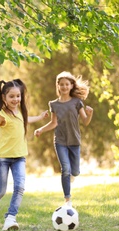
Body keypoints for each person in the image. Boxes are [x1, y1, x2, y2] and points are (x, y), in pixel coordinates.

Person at [0, 79, 48, 231]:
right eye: (11, 96)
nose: (15, 99)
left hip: (19, 157)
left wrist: (40, 118)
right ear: (4, 98)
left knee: (20, 187)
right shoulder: (1, 115)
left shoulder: (20, 113)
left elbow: (26, 120)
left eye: (18, 96)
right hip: (2, 159)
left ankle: (11, 218)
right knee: (1, 190)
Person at [34, 71, 93, 207]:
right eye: (62, 84)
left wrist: (90, 114)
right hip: (60, 141)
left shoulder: (77, 102)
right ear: (58, 86)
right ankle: (67, 200)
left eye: (67, 84)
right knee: (65, 169)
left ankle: (70, 178)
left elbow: (85, 121)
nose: (64, 87)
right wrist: (41, 130)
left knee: (75, 171)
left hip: (74, 141)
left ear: (72, 86)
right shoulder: (54, 104)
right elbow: (54, 123)